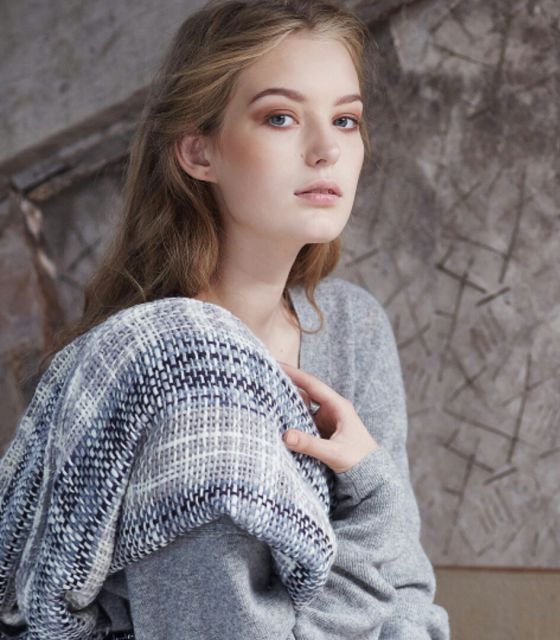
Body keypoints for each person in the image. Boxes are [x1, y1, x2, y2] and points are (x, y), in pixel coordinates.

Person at [3, 1, 450, 638]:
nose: (327, 150)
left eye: (346, 120)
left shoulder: (351, 326)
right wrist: (372, 498)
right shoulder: (179, 376)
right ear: (198, 151)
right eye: (280, 117)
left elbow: (408, 591)